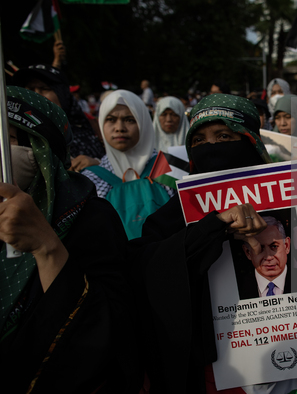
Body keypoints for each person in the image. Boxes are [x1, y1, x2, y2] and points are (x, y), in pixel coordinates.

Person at [132, 93, 297, 393]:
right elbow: (147, 268)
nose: (211, 147)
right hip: (217, 373)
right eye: (198, 141)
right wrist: (211, 227)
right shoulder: (172, 217)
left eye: (224, 135)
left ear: (250, 140)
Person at [0, 86, 139, 393]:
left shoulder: (89, 218)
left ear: (41, 150)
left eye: (7, 139)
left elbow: (111, 335)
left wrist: (47, 248)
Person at [82, 90, 174, 238]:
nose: (119, 128)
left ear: (143, 122)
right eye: (111, 119)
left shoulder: (171, 166)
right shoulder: (89, 180)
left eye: (130, 120)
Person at [12, 64, 106, 171]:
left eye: (44, 89)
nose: (36, 96)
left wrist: (98, 165)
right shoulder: (12, 134)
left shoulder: (88, 135)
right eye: (29, 90)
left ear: (63, 95)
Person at [239, 216, 297, 300]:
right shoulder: (235, 287)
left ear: (287, 246)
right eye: (259, 248)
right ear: (248, 252)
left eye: (274, 246)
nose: (269, 257)